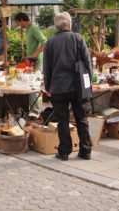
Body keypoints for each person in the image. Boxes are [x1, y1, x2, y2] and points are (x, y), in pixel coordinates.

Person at [43, 11, 92, 161]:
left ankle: (64, 151)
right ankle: (85, 150)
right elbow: (87, 63)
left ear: (56, 27)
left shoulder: (50, 43)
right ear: (70, 25)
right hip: (77, 86)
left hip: (58, 87)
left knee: (62, 120)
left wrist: (48, 87)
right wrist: (89, 83)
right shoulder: (78, 38)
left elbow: (47, 68)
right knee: (81, 118)